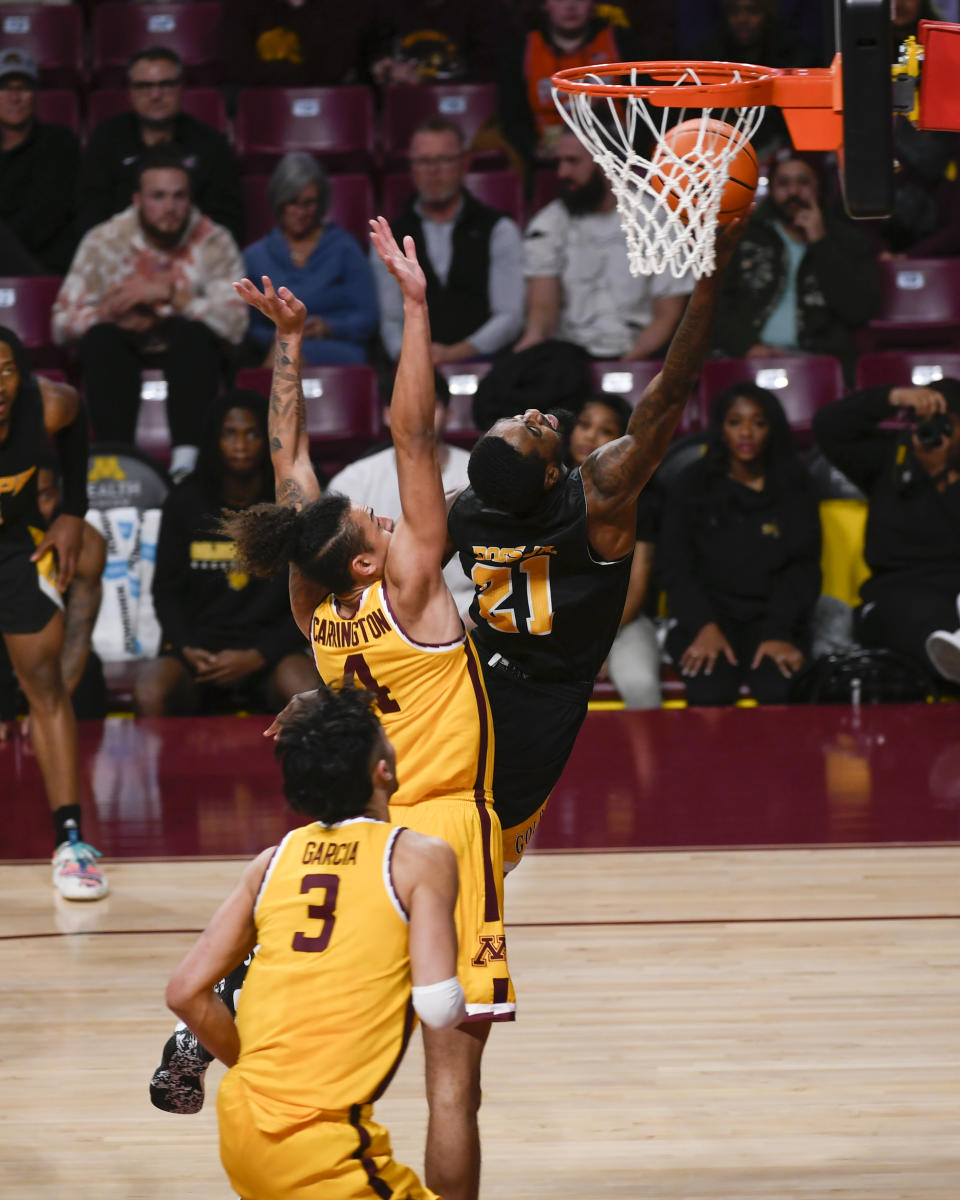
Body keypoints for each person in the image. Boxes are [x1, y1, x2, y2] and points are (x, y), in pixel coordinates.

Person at [153, 224, 513, 1200]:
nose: (389, 516)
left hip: (355, 838)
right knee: (452, 1084)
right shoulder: (416, 597)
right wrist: (416, 307)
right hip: (436, 829)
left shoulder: (318, 614)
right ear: (368, 562)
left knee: (329, 1004)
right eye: (378, 524)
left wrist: (291, 345)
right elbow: (415, 435)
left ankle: (226, 1001)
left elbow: (289, 475)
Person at [447, 217, 745, 868]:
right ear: (551, 472)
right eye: (526, 426)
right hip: (544, 697)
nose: (532, 413)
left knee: (438, 838)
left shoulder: (468, 508)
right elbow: (668, 395)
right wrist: (710, 279)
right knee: (490, 859)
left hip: (467, 677)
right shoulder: (597, 497)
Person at [165, 683, 464, 1200]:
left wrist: (258, 1066)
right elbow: (439, 1008)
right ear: (384, 770)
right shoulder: (419, 858)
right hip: (325, 1149)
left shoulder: (272, 861)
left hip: (243, 1122)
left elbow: (185, 992)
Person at [52, 147, 248, 482]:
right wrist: (107, 313)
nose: (170, 208)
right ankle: (119, 461)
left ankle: (187, 465)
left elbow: (237, 324)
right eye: (158, 196)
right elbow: (60, 324)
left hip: (189, 351)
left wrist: (173, 296)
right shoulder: (104, 240)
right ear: (138, 199)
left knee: (194, 334)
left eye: (178, 197)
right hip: (120, 346)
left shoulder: (214, 241)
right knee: (101, 339)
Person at [0, 326, 107, 900]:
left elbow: (78, 420)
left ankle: (73, 843)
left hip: (14, 548)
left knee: (45, 685)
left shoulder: (50, 404)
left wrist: (73, 510)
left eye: (6, 370)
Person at [134, 390, 320, 717]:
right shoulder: (184, 502)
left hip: (269, 654)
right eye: (229, 434)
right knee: (150, 691)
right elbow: (166, 591)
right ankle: (166, 770)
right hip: (200, 653)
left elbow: (312, 598)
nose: (241, 445)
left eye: (252, 434)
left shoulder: (292, 504)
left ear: (268, 438)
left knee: (306, 693)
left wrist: (260, 654)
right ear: (213, 439)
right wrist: (187, 648)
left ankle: (305, 769)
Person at [658, 382, 822, 705]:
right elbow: (674, 565)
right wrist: (703, 625)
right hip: (707, 617)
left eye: (758, 423)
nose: (746, 432)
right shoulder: (693, 483)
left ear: (772, 430)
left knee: (781, 690)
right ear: (721, 429)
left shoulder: (794, 484)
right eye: (736, 422)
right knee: (709, 689)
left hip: (777, 619)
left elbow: (803, 568)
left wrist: (778, 631)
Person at [812, 378, 960, 683]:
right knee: (932, 633)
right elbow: (828, 426)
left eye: (947, 424)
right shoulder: (890, 458)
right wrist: (892, 397)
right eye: (925, 422)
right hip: (895, 596)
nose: (935, 434)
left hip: (956, 596)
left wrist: (943, 478)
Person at [515, 128, 692, 362]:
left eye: (573, 162)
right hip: (568, 359)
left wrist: (625, 367)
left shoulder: (657, 221)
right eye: (558, 162)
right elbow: (542, 314)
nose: (561, 173)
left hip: (642, 354)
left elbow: (668, 315)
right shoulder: (548, 223)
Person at [709, 148, 878, 383]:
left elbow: (857, 310)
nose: (793, 192)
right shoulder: (744, 235)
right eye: (783, 183)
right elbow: (714, 300)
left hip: (817, 363)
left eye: (803, 182)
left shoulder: (846, 240)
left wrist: (821, 243)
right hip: (746, 357)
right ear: (772, 188)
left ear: (819, 185)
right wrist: (746, 345)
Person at [372, 117, 524, 365]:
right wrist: (410, 358)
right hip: (410, 365)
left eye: (444, 159)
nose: (433, 170)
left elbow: (509, 315)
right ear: (412, 167)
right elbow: (390, 319)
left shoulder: (499, 229)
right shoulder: (390, 236)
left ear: (465, 163)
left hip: (486, 364)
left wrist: (456, 354)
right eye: (423, 161)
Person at [326, 370, 475, 617]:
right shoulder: (352, 480)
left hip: (469, 608)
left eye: (430, 406)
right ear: (386, 414)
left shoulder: (477, 474)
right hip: (380, 612)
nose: (420, 416)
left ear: (448, 415)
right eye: (407, 406)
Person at [77, 46, 243, 244]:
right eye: (144, 86)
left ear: (181, 88)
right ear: (130, 92)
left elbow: (228, 222)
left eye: (166, 85)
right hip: (120, 257)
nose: (155, 95)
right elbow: (90, 217)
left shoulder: (210, 143)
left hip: (194, 259)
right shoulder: (106, 139)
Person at [0, 454, 107, 735]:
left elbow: (77, 637)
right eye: (23, 497)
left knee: (88, 674)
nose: (33, 509)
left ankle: (83, 767)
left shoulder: (84, 543)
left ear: (59, 495)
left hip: (55, 658)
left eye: (44, 496)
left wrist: (50, 709)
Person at [567, 393, 662, 708]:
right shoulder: (544, 489)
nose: (590, 436)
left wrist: (597, 645)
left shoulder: (641, 499)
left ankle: (654, 760)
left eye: (605, 430)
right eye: (584, 425)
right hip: (552, 625)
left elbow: (635, 586)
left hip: (622, 623)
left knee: (640, 684)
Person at [243, 153, 378, 367]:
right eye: (293, 203)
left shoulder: (345, 248)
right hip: (278, 344)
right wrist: (284, 331)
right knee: (284, 350)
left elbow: (367, 317)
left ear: (321, 203)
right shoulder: (255, 256)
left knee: (286, 354)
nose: (301, 212)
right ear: (279, 203)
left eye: (309, 203)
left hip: (335, 348)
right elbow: (250, 328)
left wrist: (329, 327)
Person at [498, 0, 643, 169]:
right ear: (545, 5)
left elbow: (648, 108)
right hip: (549, 165)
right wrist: (533, 150)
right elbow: (511, 119)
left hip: (619, 158)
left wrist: (635, 147)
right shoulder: (522, 50)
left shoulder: (622, 42)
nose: (571, 5)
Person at [0, 48, 79, 274]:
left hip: (42, 267)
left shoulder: (59, 142)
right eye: (5, 88)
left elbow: (44, 218)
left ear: (35, 94)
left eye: (23, 88)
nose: (14, 97)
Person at [222, 0, 383, 87]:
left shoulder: (344, 6)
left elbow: (336, 67)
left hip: (329, 109)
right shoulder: (241, 6)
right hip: (264, 110)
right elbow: (238, 69)